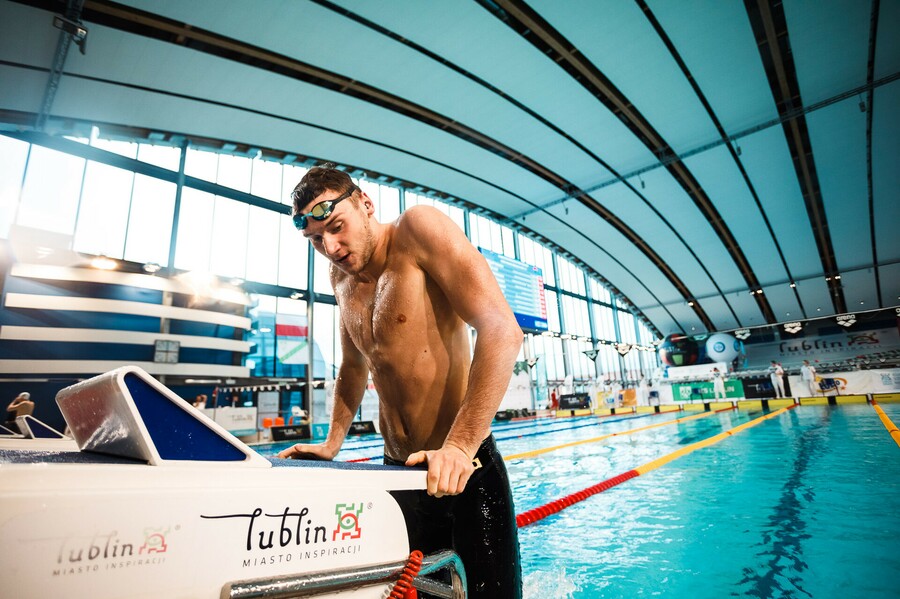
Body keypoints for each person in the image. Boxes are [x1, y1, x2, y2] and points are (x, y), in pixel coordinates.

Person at [277, 166, 523, 597]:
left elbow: (502, 328)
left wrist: (460, 446)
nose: (330, 248)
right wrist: (332, 442)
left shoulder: (418, 230)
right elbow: (354, 366)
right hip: (400, 475)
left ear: (366, 204)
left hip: (464, 470)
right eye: (315, 240)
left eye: (336, 227)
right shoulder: (340, 278)